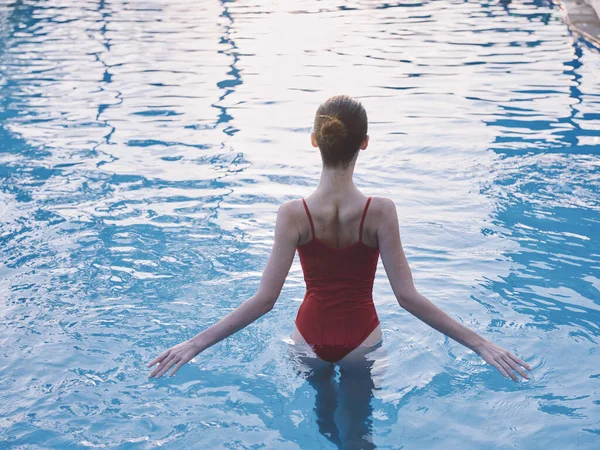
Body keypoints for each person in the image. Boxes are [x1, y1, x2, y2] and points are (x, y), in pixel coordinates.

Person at [147, 94, 532, 383]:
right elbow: (407, 297)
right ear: (364, 143)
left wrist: (194, 343)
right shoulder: (380, 212)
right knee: (357, 434)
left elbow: (264, 300)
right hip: (361, 338)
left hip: (307, 338)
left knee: (321, 425)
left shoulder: (292, 215)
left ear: (314, 140)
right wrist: (482, 344)